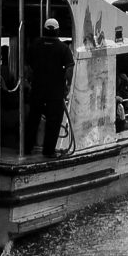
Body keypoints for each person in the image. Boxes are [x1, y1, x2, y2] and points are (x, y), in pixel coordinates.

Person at [29, 14, 76, 158]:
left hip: (37, 89)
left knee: (33, 119)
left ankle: (26, 147)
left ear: (44, 30)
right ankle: (48, 151)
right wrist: (68, 86)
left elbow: (27, 66)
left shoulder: (35, 44)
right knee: (53, 122)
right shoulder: (63, 48)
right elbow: (69, 69)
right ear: (57, 31)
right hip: (55, 92)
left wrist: (30, 80)